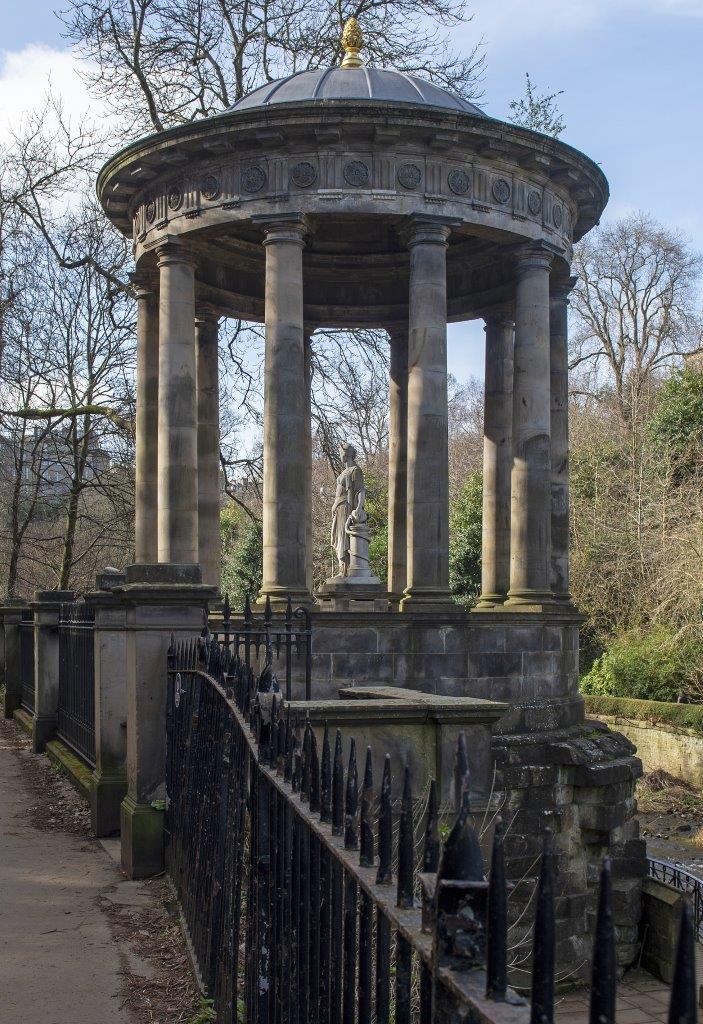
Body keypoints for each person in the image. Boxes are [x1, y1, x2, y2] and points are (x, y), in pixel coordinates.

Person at [330, 444, 365, 576]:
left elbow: (360, 490)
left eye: (340, 453)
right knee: (338, 539)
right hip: (338, 508)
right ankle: (341, 568)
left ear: (346, 454)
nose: (340, 455)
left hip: (346, 507)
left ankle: (345, 569)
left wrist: (359, 507)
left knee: (344, 538)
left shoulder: (355, 470)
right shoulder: (343, 472)